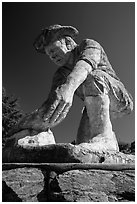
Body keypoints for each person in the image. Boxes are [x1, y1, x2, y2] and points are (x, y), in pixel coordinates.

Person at [9, 24, 133, 151]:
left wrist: (68, 87)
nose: (51, 56)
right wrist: (23, 125)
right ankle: (108, 143)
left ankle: (104, 139)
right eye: (48, 54)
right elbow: (51, 106)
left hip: (120, 97)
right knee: (82, 145)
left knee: (91, 76)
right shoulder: (60, 74)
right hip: (95, 104)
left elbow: (86, 64)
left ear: (67, 43)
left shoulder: (88, 45)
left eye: (53, 50)